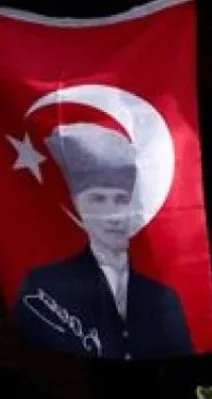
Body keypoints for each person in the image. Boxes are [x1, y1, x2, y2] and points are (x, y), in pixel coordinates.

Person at [15, 123, 192, 360]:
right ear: (78, 205)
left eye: (121, 200)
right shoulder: (45, 287)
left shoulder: (163, 297)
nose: (113, 215)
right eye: (98, 199)